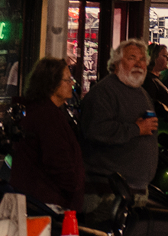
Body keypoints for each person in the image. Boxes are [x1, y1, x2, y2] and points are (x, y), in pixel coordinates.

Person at [80, 40, 159, 220]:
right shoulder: (103, 92)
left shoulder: (141, 92)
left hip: (134, 192)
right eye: (132, 58)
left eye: (142, 59)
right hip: (107, 194)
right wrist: (136, 129)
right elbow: (96, 130)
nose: (139, 64)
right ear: (116, 63)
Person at [11, 57, 85, 212]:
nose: (72, 83)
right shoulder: (47, 117)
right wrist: (73, 186)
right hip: (47, 202)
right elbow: (57, 160)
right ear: (52, 84)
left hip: (41, 198)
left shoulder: (44, 113)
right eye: (67, 79)